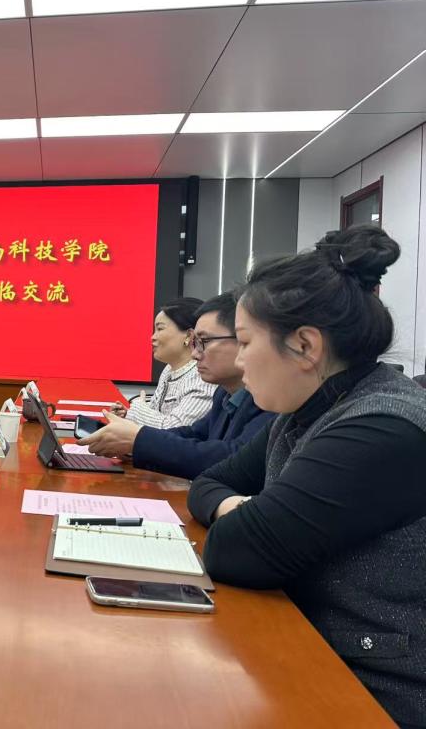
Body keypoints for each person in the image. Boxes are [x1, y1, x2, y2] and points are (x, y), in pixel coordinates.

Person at [186, 225, 426, 728]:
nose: (241, 360)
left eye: (246, 342)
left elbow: (237, 551)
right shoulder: (307, 409)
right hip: (310, 648)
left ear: (304, 345)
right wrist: (240, 507)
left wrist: (246, 518)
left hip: (375, 690)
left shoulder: (381, 427)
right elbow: (210, 483)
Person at [84, 291, 275, 479]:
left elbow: (234, 459)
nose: (195, 354)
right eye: (195, 343)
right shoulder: (224, 394)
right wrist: (133, 445)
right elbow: (193, 433)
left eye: (204, 342)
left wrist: (138, 439)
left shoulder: (271, 400)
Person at [110, 297, 215, 428]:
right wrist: (128, 414)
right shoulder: (168, 369)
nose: (153, 337)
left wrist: (137, 409)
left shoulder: (203, 377)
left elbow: (176, 428)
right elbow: (156, 413)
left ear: (189, 335)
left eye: (160, 329)